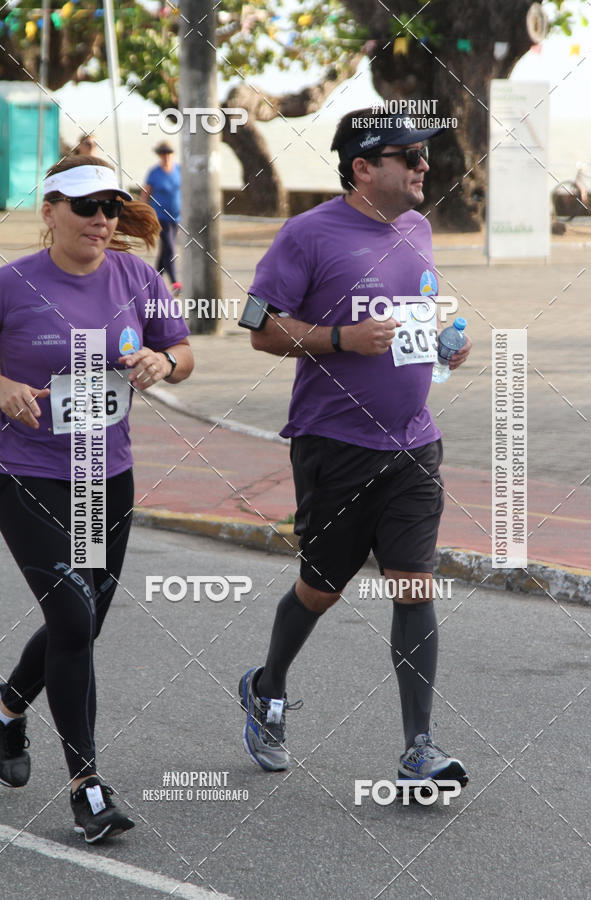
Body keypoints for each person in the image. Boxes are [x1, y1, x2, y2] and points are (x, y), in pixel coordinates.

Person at [238, 109, 472, 791]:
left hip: (413, 445)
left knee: (414, 583)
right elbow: (258, 327)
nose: (425, 166)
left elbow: (422, 318)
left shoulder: (419, 228)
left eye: (425, 155)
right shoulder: (306, 235)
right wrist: (341, 339)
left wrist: (448, 342)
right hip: (333, 445)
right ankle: (267, 686)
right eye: (410, 156)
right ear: (364, 167)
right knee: (320, 588)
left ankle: (418, 747)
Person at [0, 155, 194, 842]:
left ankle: (7, 706)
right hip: (27, 471)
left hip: (103, 475)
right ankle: (87, 788)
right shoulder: (12, 283)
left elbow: (182, 351)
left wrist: (160, 363)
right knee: (75, 620)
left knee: (81, 622)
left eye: (111, 206)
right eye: (86, 207)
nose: (102, 219)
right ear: (49, 211)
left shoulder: (137, 276)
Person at [141, 141, 182, 292]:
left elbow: (185, 190)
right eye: (162, 153)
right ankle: (175, 282)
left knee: (164, 251)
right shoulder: (154, 172)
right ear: (159, 155)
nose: (166, 156)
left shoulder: (179, 170)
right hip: (160, 217)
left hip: (176, 217)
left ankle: (154, 281)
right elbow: (146, 193)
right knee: (170, 247)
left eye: (168, 153)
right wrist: (144, 212)